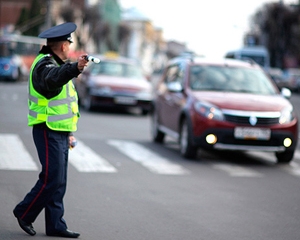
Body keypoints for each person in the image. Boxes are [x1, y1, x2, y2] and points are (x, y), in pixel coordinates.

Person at [13, 22, 88, 238]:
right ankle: (24, 212)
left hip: (60, 130)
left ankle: (56, 225)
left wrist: (69, 132)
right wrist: (74, 68)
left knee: (59, 180)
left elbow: (65, 102)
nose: (68, 46)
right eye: (68, 42)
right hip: (47, 129)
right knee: (51, 178)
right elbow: (52, 80)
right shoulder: (43, 66)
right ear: (64, 45)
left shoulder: (55, 63)